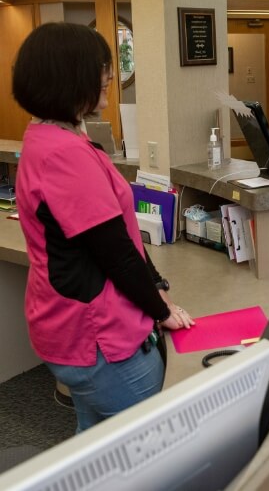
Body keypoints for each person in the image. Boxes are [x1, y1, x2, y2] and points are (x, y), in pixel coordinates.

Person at [12, 22, 194, 433]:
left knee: (96, 448)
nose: (108, 76)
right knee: (147, 448)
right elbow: (115, 252)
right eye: (101, 69)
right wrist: (160, 310)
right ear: (70, 75)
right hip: (97, 337)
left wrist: (157, 284)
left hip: (68, 325)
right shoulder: (64, 156)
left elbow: (120, 233)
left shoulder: (50, 137)